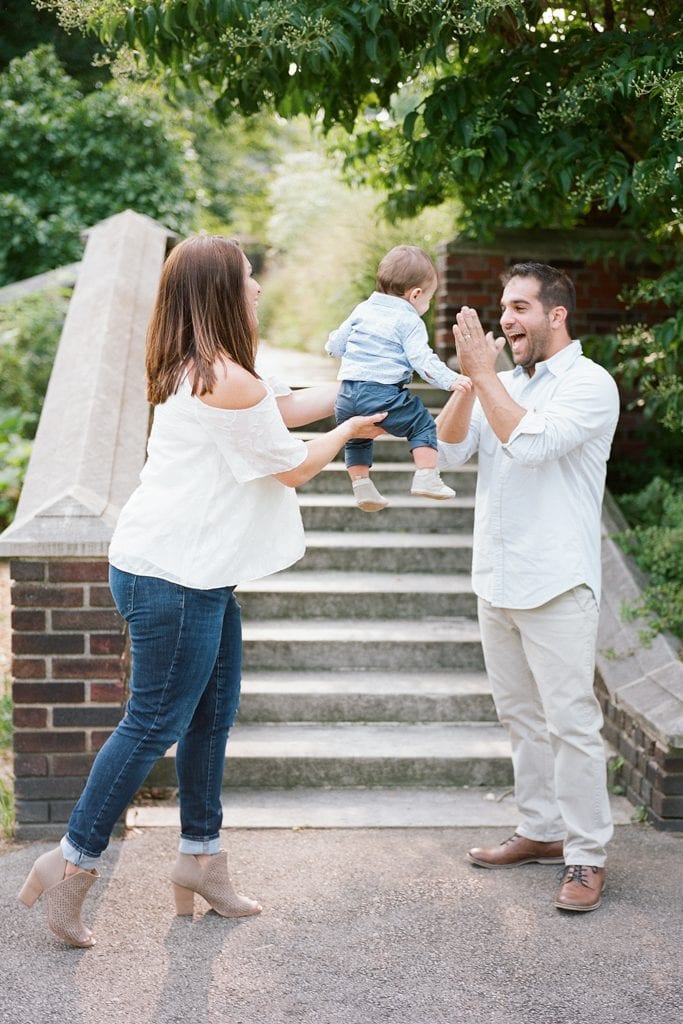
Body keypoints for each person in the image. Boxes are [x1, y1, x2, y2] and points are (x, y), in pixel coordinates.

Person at [17, 235, 386, 947]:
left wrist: (360, 386)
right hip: (174, 578)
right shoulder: (222, 375)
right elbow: (290, 467)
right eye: (246, 279)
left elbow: (280, 405)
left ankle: (201, 859)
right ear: (222, 292)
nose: (254, 288)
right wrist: (346, 429)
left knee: (209, 718)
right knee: (153, 723)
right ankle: (70, 864)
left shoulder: (208, 368)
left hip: (192, 572)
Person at [436, 262, 620, 913]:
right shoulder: (501, 383)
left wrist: (484, 378)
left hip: (557, 586)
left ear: (555, 315)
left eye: (519, 307)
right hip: (496, 581)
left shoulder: (589, 384)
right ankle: (540, 830)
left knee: (570, 722)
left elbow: (531, 443)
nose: (506, 320)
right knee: (519, 719)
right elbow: (449, 449)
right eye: (503, 307)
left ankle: (585, 855)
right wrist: (467, 382)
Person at [325, 245, 471, 511]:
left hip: (346, 396)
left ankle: (362, 487)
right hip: (381, 394)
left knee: (357, 437)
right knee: (422, 422)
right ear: (415, 294)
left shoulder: (363, 309)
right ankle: (427, 476)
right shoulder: (408, 319)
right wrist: (450, 380)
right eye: (429, 299)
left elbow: (336, 344)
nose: (426, 306)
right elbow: (422, 360)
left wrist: (337, 350)